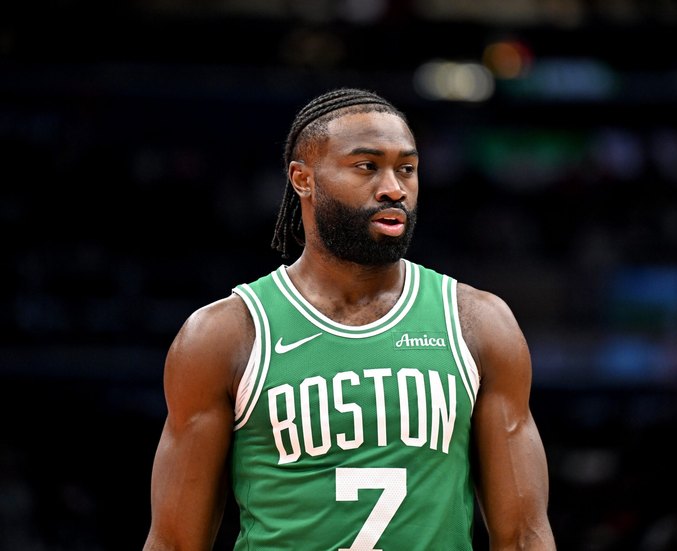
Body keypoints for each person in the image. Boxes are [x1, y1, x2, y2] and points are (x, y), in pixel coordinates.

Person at [143, 87, 557, 550]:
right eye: (367, 166)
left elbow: (523, 536)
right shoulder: (225, 334)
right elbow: (175, 542)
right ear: (303, 179)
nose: (394, 188)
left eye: (407, 168)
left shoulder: (477, 323)